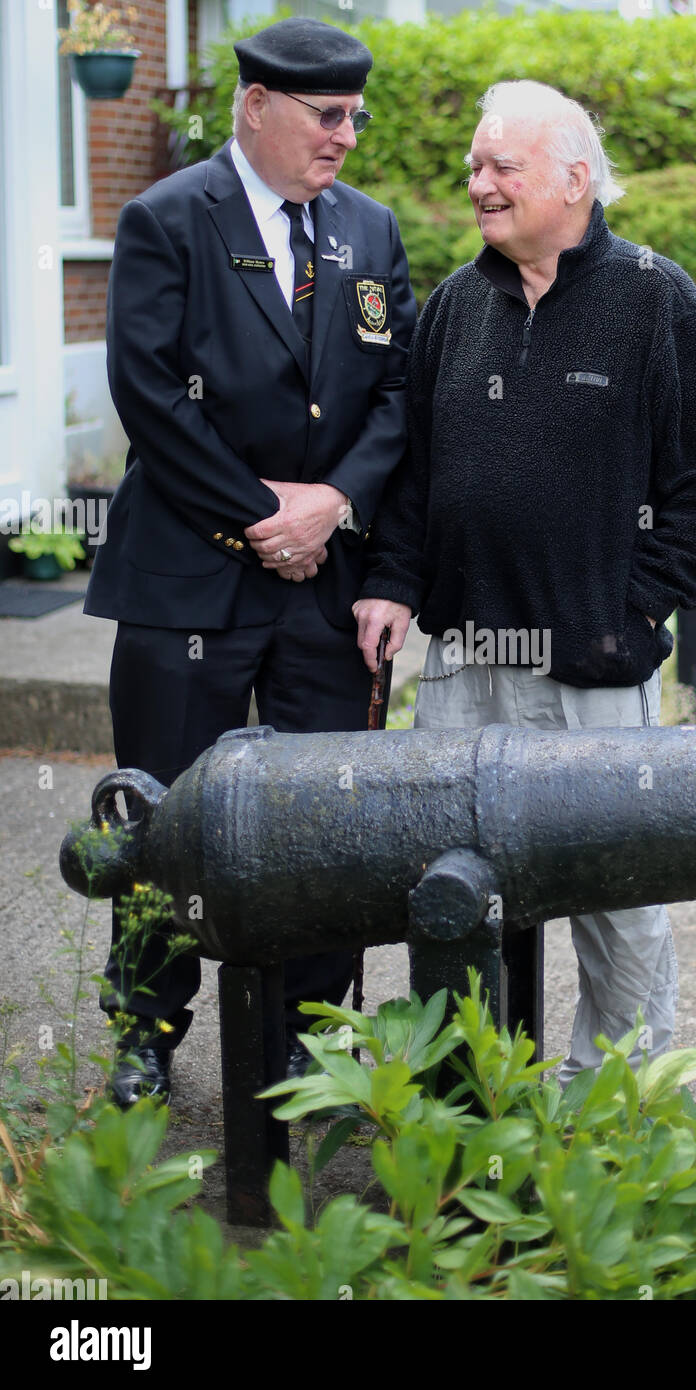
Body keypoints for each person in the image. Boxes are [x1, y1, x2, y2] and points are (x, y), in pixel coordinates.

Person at [353, 80, 696, 1087]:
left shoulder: (657, 299)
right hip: (464, 664)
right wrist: (392, 583)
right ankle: (461, 1089)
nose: (477, 184)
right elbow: (411, 478)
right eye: (474, 166)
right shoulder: (451, 305)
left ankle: (613, 1108)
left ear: (574, 178)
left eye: (500, 167)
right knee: (445, 881)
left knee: (616, 893)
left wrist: (631, 609)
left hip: (592, 665)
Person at [85, 17, 416, 1105]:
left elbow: (396, 395)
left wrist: (333, 505)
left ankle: (308, 1037)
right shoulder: (167, 219)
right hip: (191, 574)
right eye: (328, 116)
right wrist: (261, 515)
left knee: (329, 820)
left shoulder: (367, 232)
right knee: (166, 815)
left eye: (355, 116)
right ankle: (146, 1026)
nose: (347, 138)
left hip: (325, 585)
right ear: (256, 103)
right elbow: (148, 393)